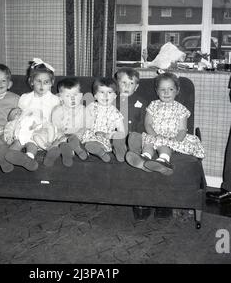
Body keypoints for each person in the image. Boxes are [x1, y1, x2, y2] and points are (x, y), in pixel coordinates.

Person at [126, 72, 205, 175]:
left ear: (177, 91)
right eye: (162, 90)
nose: (166, 93)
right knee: (148, 144)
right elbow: (148, 124)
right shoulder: (153, 105)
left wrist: (177, 140)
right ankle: (144, 158)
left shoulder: (181, 109)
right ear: (157, 91)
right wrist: (155, 135)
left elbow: (182, 129)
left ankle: (163, 161)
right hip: (154, 134)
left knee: (164, 147)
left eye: (170, 89)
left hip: (172, 137)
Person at [3, 58, 60, 170]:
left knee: (32, 142)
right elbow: (18, 115)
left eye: (46, 82)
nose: (42, 85)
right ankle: (13, 154)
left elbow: (57, 118)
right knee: (18, 141)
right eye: (38, 81)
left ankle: (29, 157)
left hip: (42, 129)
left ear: (51, 83)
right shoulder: (25, 98)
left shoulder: (55, 100)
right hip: (26, 127)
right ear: (31, 81)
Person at [114, 67, 150, 220]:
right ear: (117, 84)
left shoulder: (142, 102)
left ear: (137, 86)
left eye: (131, 83)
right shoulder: (110, 100)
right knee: (117, 137)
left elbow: (144, 124)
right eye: (123, 83)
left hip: (135, 138)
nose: (127, 86)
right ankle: (120, 150)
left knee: (135, 137)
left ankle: (132, 152)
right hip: (115, 138)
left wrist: (143, 139)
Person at [43, 78, 87, 167]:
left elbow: (85, 126)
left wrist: (78, 133)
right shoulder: (57, 110)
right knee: (57, 142)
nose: (73, 98)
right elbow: (56, 127)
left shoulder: (83, 110)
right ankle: (52, 155)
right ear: (60, 97)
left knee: (75, 140)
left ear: (81, 95)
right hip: (62, 135)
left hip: (77, 136)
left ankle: (72, 151)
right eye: (68, 96)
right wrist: (60, 135)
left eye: (75, 95)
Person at [81, 78, 125, 162]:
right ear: (95, 95)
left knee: (117, 137)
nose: (105, 96)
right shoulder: (90, 107)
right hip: (90, 137)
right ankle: (100, 153)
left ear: (115, 96)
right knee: (87, 143)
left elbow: (122, 132)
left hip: (106, 139)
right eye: (102, 92)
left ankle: (119, 150)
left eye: (109, 92)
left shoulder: (115, 112)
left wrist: (110, 135)